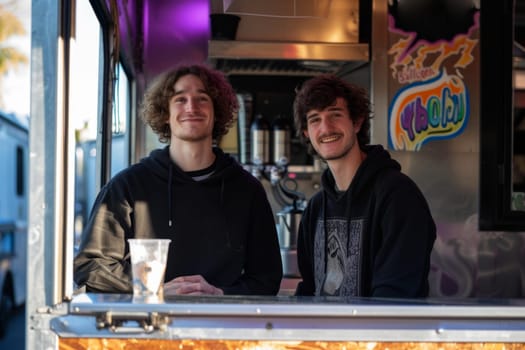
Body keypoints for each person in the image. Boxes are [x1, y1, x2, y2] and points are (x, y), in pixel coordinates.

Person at [74, 64, 283, 296]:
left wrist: (220, 294)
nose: (192, 107)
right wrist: (155, 288)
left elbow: (266, 278)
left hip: (223, 327)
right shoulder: (128, 187)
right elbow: (91, 266)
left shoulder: (248, 190)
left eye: (202, 99)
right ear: (165, 114)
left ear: (217, 113)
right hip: (147, 328)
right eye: (180, 99)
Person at [292, 74, 436, 298]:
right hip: (325, 333)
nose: (326, 128)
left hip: (379, 333)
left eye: (335, 115)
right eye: (314, 120)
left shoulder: (398, 196)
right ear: (306, 134)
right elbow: (310, 289)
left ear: (357, 122)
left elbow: (395, 295)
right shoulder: (316, 208)